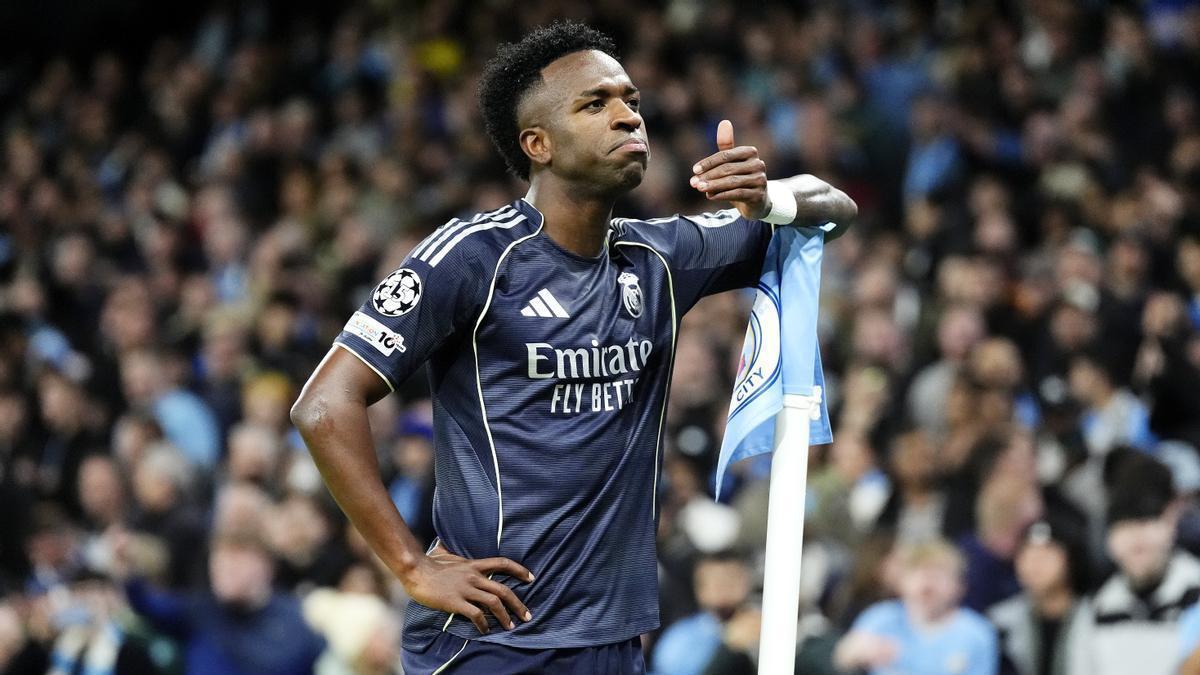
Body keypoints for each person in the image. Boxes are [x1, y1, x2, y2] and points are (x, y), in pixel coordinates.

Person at [290, 19, 856, 675]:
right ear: (539, 143)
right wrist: (412, 566)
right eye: (597, 104)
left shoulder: (661, 257)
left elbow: (833, 210)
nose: (627, 118)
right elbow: (324, 404)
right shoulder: (473, 257)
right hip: (489, 645)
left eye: (631, 101)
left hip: (614, 643)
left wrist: (771, 198)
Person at [1068, 452, 1200, 675]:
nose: (1137, 541)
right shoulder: (1096, 606)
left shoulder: (1195, 593)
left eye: (1147, 521)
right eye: (1124, 526)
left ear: (1171, 519)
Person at [833, 539, 998, 675]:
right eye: (919, 572)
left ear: (959, 587)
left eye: (939, 575)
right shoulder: (880, 617)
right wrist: (855, 652)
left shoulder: (977, 633)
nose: (928, 582)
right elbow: (842, 657)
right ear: (902, 581)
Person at [988, 519, 1090, 675]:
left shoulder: (1097, 617)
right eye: (1026, 555)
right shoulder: (1000, 621)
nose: (1034, 564)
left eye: (1045, 554)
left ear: (1069, 560)